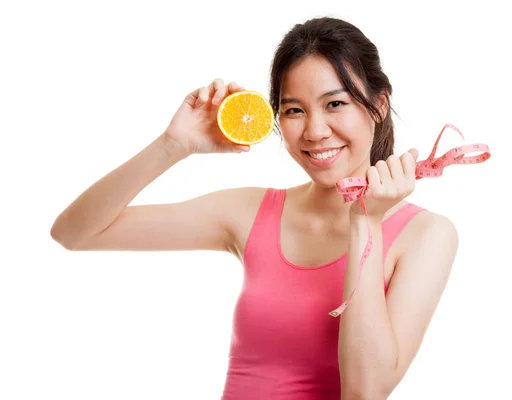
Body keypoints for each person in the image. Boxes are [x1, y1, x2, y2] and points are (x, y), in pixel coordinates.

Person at [51, 16, 459, 400]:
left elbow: (364, 391)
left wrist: (365, 222)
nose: (315, 132)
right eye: (295, 109)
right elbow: (74, 233)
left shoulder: (426, 235)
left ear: (379, 105)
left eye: (335, 104)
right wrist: (171, 147)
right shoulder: (251, 211)